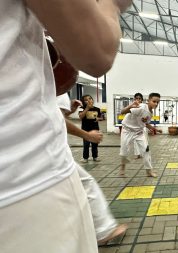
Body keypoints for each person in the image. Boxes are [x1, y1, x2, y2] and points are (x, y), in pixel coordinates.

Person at [0, 0, 132, 252]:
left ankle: (104, 227)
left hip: (17, 176)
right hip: (26, 178)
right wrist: (113, 4)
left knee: (87, 180)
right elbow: (96, 52)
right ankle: (104, 227)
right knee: (87, 181)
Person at [57, 93, 128, 245]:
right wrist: (87, 135)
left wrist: (69, 111)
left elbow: (59, 115)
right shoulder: (46, 81)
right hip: (52, 153)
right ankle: (103, 230)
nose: (89, 101)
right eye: (87, 99)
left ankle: (101, 229)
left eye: (90, 99)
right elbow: (56, 119)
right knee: (87, 183)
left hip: (54, 152)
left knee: (84, 183)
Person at [119, 93, 162, 177]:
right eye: (154, 101)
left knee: (146, 150)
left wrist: (156, 129)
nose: (156, 104)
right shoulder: (141, 107)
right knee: (124, 152)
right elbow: (122, 112)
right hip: (127, 130)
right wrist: (130, 106)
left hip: (139, 132)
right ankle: (123, 166)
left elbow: (145, 123)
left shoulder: (150, 113)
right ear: (148, 101)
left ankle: (149, 171)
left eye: (158, 102)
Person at [79, 95, 103, 162]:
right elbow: (80, 117)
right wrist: (87, 108)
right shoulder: (82, 108)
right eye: (86, 100)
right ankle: (85, 158)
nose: (89, 100)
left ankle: (95, 157)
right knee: (86, 144)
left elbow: (101, 117)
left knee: (95, 144)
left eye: (90, 98)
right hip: (85, 129)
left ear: (92, 100)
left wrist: (99, 119)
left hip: (95, 128)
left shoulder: (97, 109)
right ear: (84, 102)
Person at [131, 93, 144, 159]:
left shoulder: (143, 106)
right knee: (135, 141)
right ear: (134, 99)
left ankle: (143, 153)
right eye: (137, 98)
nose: (138, 100)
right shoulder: (132, 106)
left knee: (143, 140)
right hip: (134, 127)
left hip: (142, 126)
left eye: (139, 98)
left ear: (142, 100)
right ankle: (137, 154)